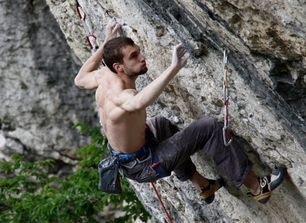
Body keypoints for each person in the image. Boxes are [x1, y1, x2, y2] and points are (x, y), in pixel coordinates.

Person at [75, 19, 286, 204]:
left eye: (139, 52)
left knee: (161, 124)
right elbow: (137, 103)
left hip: (135, 154)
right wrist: (173, 67)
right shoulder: (118, 96)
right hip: (146, 165)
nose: (142, 58)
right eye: (133, 56)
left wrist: (106, 42)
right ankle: (258, 187)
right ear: (119, 67)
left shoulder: (105, 75)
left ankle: (203, 185)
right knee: (209, 127)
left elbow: (80, 79)